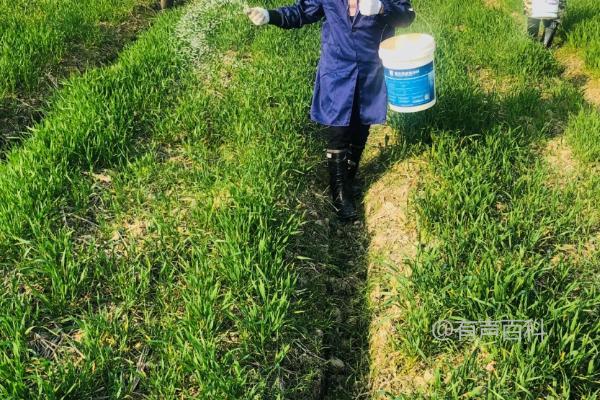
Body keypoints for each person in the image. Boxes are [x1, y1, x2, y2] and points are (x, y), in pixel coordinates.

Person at [245, 0, 415, 221]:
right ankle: (340, 196)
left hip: (371, 68)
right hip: (337, 69)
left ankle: (349, 178)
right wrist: (270, 15)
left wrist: (383, 8)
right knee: (338, 132)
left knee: (362, 126)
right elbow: (301, 12)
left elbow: (407, 16)